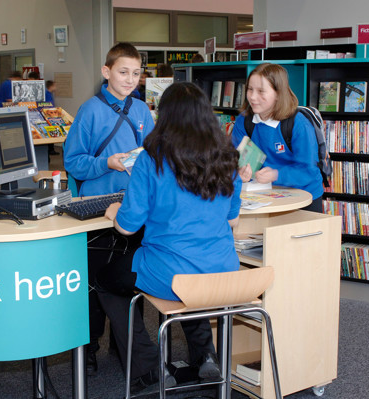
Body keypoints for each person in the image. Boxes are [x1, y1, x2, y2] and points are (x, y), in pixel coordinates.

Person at [96, 81, 242, 392]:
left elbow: (127, 227)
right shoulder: (227, 157)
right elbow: (234, 218)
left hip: (171, 274)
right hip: (223, 273)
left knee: (107, 280)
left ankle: (149, 369)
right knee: (192, 277)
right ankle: (205, 357)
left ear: (165, 116)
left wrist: (113, 212)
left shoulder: (153, 158)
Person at [63, 42, 155, 375]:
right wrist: (108, 163)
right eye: (123, 72)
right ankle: (88, 347)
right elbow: (73, 161)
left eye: (136, 73)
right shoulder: (90, 110)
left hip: (134, 207)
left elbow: (153, 154)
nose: (130, 79)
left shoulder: (143, 110)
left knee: (130, 277)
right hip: (97, 210)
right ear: (106, 72)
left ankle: (123, 345)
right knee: (94, 281)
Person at [231, 63, 324, 212]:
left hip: (305, 197)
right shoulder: (244, 120)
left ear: (278, 94)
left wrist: (275, 174)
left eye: (261, 91)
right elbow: (231, 159)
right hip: (261, 196)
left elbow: (308, 171)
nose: (253, 97)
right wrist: (239, 171)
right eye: (250, 89)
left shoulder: (298, 124)